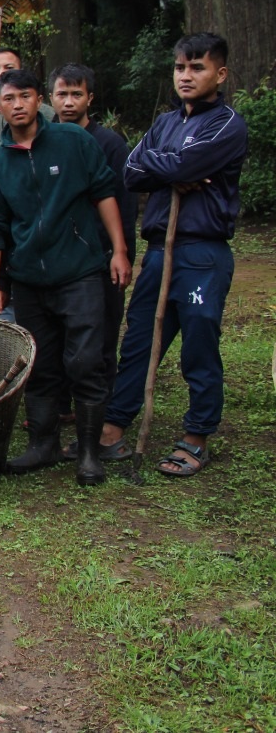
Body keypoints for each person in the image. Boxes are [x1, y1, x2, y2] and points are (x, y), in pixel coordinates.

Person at [101, 33, 247, 479]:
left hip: (202, 252)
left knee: (199, 346)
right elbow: (129, 170)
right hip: (160, 251)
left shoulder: (227, 124)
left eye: (197, 68)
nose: (186, 75)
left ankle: (197, 437)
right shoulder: (165, 123)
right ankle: (112, 429)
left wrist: (169, 168)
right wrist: (175, 169)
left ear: (219, 74)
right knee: (141, 341)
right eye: (181, 67)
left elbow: (179, 167)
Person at [0, 69, 131, 484]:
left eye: (26, 96)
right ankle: (42, 446)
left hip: (80, 271)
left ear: (39, 99)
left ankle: (88, 452)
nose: (19, 105)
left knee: (85, 362)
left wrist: (118, 250)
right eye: (9, 99)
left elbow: (103, 192)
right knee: (39, 366)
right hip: (27, 278)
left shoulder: (74, 141)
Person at [50, 62, 138, 447]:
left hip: (101, 258)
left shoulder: (110, 144)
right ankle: (63, 405)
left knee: (99, 340)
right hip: (56, 260)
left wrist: (121, 253)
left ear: (90, 98)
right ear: (49, 98)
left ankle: (102, 413)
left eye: (76, 94)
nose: (68, 102)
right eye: (61, 94)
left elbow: (123, 203)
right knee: (61, 338)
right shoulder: (44, 139)